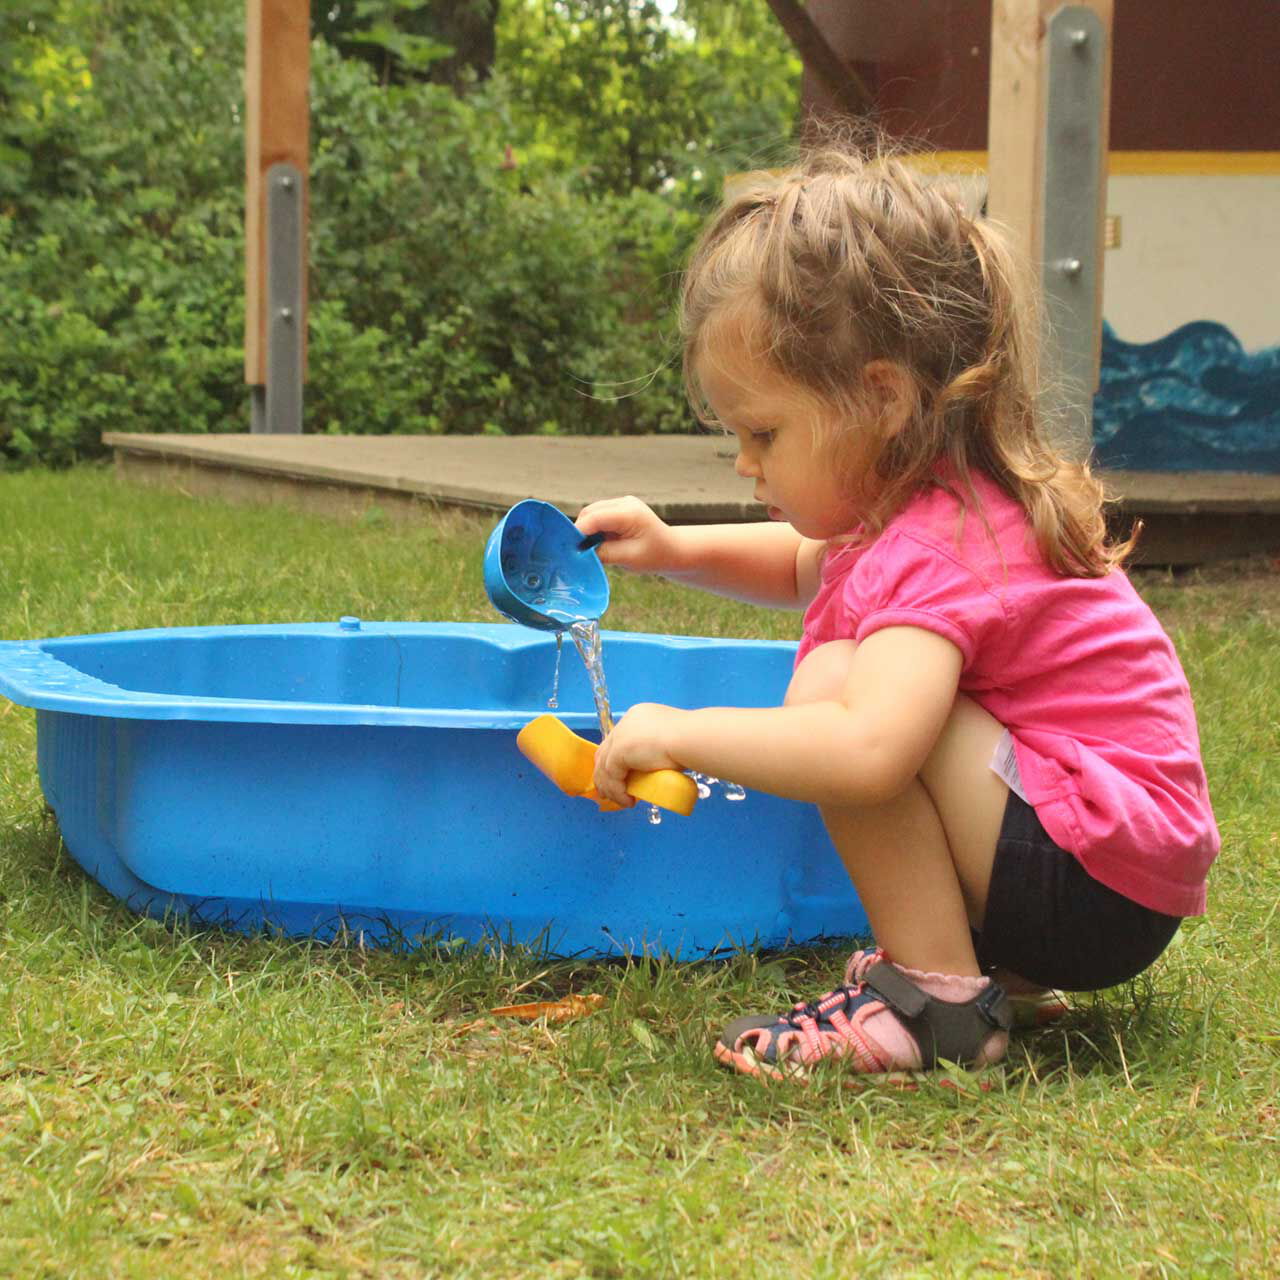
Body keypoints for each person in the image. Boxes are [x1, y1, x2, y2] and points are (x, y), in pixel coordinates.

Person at [573, 141, 1220, 1082]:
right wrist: (674, 547)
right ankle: (1003, 976)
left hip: (1091, 883)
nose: (747, 465)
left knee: (840, 686)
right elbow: (808, 564)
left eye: (764, 433)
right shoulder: (932, 510)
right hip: (1112, 874)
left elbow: (867, 755)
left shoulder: (932, 546)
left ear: (879, 398)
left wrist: (681, 731)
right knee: (853, 663)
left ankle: (940, 1003)